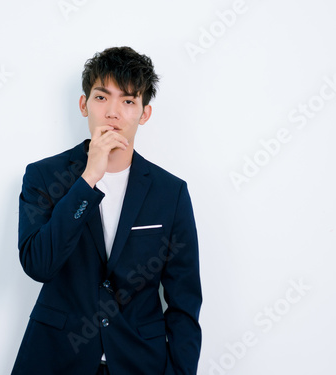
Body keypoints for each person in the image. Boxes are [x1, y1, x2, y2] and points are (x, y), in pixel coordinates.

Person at [11, 46, 202, 375]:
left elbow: (184, 302)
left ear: (144, 113)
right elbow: (38, 265)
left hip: (140, 362)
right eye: (102, 97)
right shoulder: (43, 177)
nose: (113, 112)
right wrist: (88, 180)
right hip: (55, 360)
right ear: (84, 105)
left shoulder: (171, 193)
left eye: (128, 101)